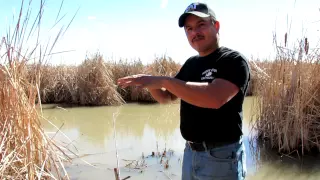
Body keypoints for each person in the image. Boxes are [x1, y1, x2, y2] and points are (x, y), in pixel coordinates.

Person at [117, 2, 250, 180]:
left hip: (222, 157)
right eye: (189, 29)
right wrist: (149, 83)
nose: (194, 33)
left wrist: (163, 80)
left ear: (216, 26)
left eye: (200, 25)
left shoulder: (233, 60)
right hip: (190, 153)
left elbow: (215, 98)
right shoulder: (190, 64)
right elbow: (166, 97)